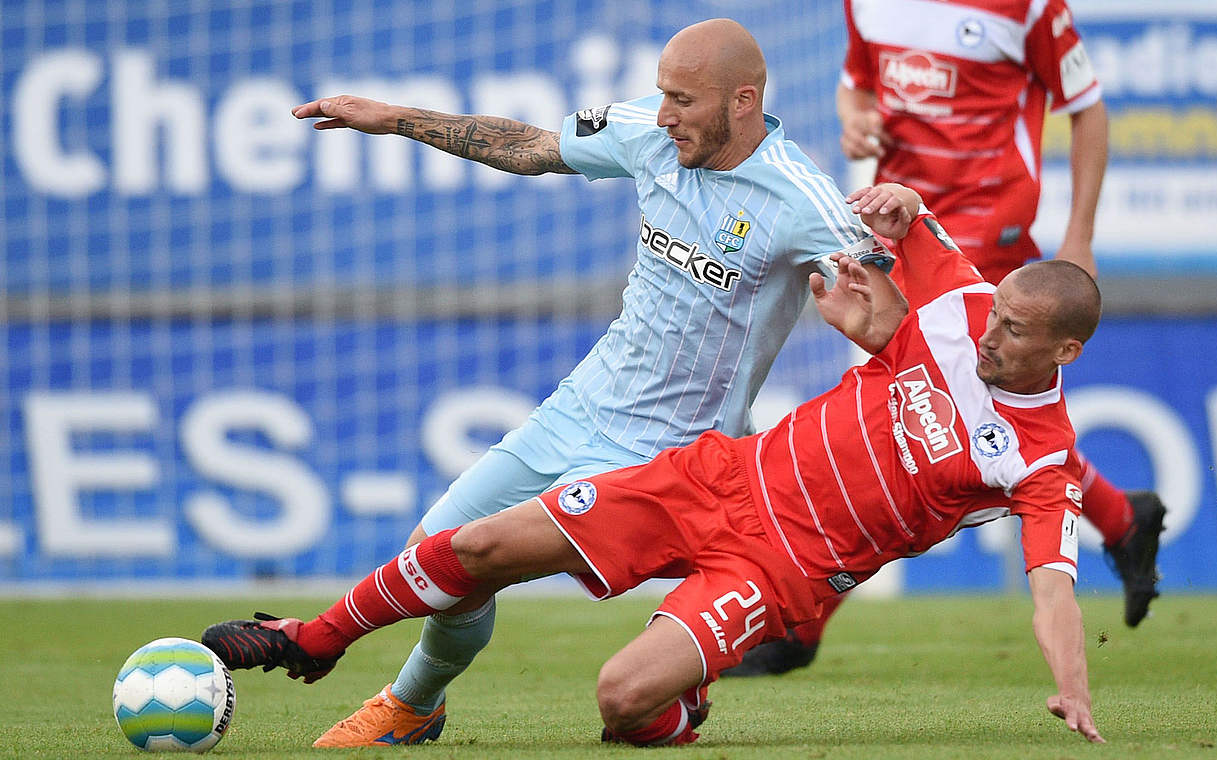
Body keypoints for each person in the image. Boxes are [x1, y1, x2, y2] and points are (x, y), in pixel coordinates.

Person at [202, 182, 1106, 745]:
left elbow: (1053, 589)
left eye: (1014, 332)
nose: (989, 334)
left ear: (1063, 354)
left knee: (622, 702)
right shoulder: (967, 304)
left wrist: (1072, 691)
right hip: (719, 476)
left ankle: (681, 703)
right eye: (992, 317)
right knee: (477, 547)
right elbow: (917, 224)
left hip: (781, 568)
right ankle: (313, 639)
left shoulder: (1041, 461)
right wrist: (900, 201)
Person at [283, 18, 887, 747]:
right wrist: (396, 119)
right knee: (434, 551)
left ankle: (408, 701)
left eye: (684, 101)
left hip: (675, 451)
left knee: (480, 556)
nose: (664, 115)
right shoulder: (647, 130)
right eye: (662, 94)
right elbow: (532, 148)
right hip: (579, 407)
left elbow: (890, 301)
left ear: (743, 102)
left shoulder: (801, 196)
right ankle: (425, 706)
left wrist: (906, 218)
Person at [726, 0, 1167, 678]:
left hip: (984, 243)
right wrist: (854, 117)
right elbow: (858, 83)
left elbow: (1089, 108)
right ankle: (1122, 519)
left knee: (933, 427)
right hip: (896, 225)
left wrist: (1079, 237)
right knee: (908, 422)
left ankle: (802, 620)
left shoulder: (1028, 8)